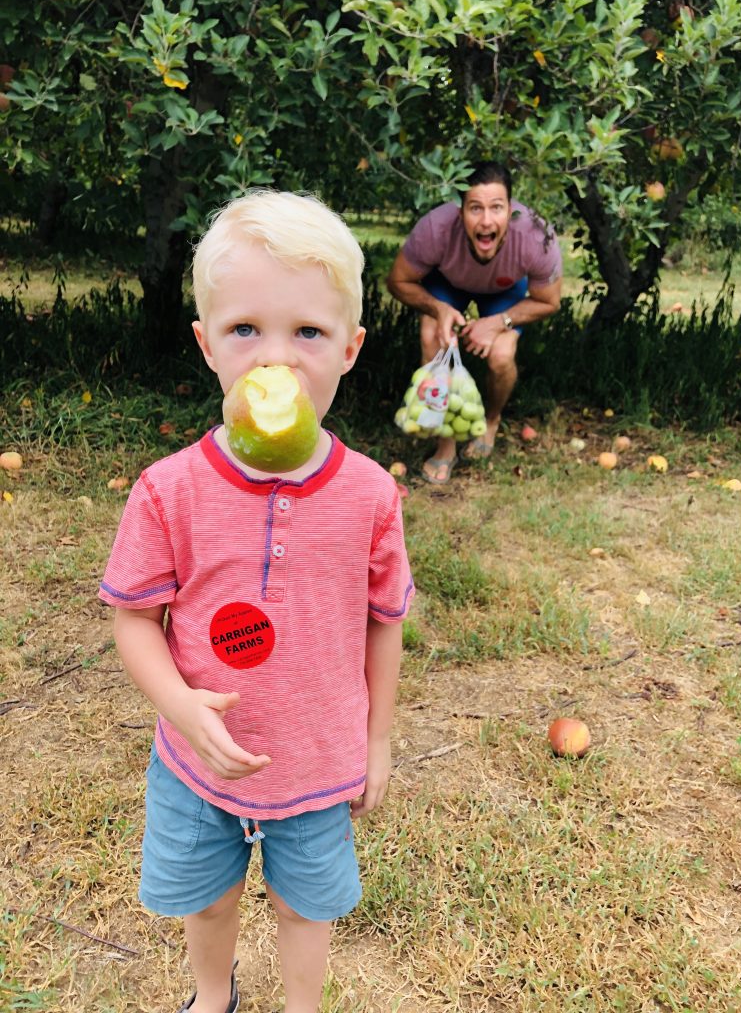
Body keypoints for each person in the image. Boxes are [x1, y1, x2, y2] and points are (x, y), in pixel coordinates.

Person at [99, 190, 414, 1013]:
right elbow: (135, 619)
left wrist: (377, 739)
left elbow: (385, 623)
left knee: (307, 908)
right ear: (207, 343)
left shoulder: (371, 495)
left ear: (350, 348)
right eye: (246, 329)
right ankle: (213, 995)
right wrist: (179, 705)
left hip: (318, 761)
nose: (277, 358)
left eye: (308, 332)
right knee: (208, 900)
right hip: (199, 762)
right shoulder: (169, 489)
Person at [386, 160, 562, 484]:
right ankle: (446, 443)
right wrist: (438, 309)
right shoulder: (435, 228)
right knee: (432, 338)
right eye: (475, 208)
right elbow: (397, 281)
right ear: (460, 211)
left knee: (502, 355)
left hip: (504, 290)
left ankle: (491, 420)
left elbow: (549, 301)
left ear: (511, 209)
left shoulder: (536, 235)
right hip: (447, 283)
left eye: (496, 207)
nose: (486, 220)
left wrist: (498, 322)